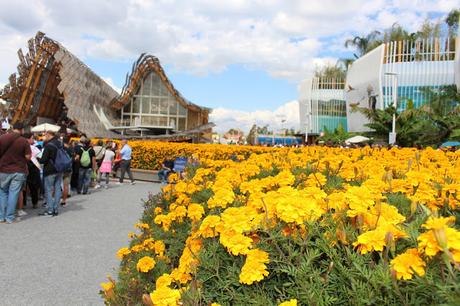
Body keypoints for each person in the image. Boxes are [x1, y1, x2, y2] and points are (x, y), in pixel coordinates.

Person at [0, 123, 31, 223]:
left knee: (2, 193)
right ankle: (10, 217)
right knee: (13, 193)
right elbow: (28, 157)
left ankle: (1, 217)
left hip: (3, 169)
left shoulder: (2, 138)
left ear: (13, 128)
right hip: (18, 170)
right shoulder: (23, 141)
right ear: (22, 130)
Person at [38, 130, 64, 216]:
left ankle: (50, 209)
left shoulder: (49, 145)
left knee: (48, 190)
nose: (44, 137)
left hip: (50, 170)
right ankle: (55, 209)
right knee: (57, 189)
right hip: (59, 168)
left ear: (49, 135)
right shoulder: (60, 143)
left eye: (45, 135)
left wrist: (38, 158)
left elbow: (43, 160)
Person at [22, 133, 41, 209]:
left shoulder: (20, 147)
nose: (33, 140)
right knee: (33, 186)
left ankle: (23, 204)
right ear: (28, 139)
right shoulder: (33, 148)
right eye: (32, 138)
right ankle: (35, 202)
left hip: (23, 167)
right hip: (33, 167)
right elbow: (40, 157)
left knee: (23, 187)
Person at [61, 135, 74, 206]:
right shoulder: (71, 149)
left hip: (59, 168)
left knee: (56, 185)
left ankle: (54, 200)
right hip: (68, 168)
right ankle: (64, 200)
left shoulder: (60, 147)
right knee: (66, 185)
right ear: (69, 140)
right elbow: (73, 158)